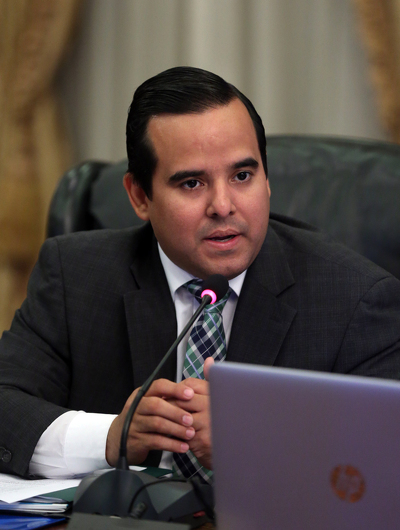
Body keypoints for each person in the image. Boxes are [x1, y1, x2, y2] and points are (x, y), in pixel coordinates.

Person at [1, 66, 400, 481]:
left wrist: (258, 440)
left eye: (242, 176)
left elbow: (388, 453)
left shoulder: (357, 300)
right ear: (139, 196)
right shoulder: (75, 277)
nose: (223, 206)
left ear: (267, 180)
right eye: (192, 183)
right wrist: (110, 437)